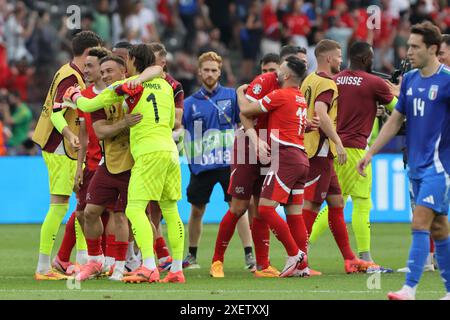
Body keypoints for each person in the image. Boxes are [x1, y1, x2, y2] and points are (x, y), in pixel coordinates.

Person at [65, 44, 185, 284]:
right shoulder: (165, 85)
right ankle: (177, 269)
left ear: (130, 61)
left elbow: (88, 106)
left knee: (133, 210)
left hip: (148, 153)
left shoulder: (127, 87)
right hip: (170, 152)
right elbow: (172, 121)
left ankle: (149, 266)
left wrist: (74, 95)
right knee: (170, 211)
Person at [358, 22, 450, 301]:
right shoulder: (409, 80)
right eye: (408, 45)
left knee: (419, 222)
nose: (408, 51)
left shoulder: (447, 81)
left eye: (414, 47)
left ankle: (409, 288)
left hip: (440, 168)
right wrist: (371, 151)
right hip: (416, 166)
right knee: (440, 228)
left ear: (432, 49)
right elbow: (396, 119)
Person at [209, 45, 313, 278]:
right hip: (250, 144)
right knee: (238, 206)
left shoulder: (291, 88)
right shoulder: (265, 82)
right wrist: (255, 140)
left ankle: (263, 265)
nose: (271, 72)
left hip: (275, 148)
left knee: (261, 206)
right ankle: (217, 261)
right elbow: (245, 113)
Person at [308, 41, 397, 272]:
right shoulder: (374, 82)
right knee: (359, 202)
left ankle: (299, 250)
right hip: (355, 149)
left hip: (332, 146)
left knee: (334, 202)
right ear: (367, 59)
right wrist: (398, 91)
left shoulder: (334, 80)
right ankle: (363, 259)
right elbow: (400, 109)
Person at [32, 30, 102, 280]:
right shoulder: (71, 78)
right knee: (60, 207)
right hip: (59, 147)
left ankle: (83, 259)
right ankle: (43, 267)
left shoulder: (67, 71)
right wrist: (68, 135)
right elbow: (56, 112)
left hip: (61, 146)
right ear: (87, 53)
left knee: (83, 203)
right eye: (96, 53)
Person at [300, 39, 369, 274]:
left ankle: (350, 259)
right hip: (319, 151)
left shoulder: (308, 79)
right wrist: (337, 142)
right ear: (329, 58)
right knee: (311, 204)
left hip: (315, 150)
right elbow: (320, 112)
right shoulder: (327, 83)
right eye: (339, 56)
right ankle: (299, 260)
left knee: (337, 202)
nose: (342, 61)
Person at [181, 51, 254, 271]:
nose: (210, 74)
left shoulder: (232, 96)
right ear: (199, 71)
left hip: (229, 163)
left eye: (214, 70)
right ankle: (192, 255)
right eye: (206, 70)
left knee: (238, 208)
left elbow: (246, 119)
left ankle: (249, 254)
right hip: (201, 165)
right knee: (196, 210)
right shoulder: (188, 103)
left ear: (220, 72)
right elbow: (181, 129)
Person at [52, 47, 109, 275]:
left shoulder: (115, 93)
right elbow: (56, 112)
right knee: (84, 212)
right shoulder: (81, 94)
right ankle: (73, 258)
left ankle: (112, 261)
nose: (85, 70)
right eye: (85, 65)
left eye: (90, 66)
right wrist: (70, 137)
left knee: (112, 214)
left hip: (114, 162)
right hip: (92, 164)